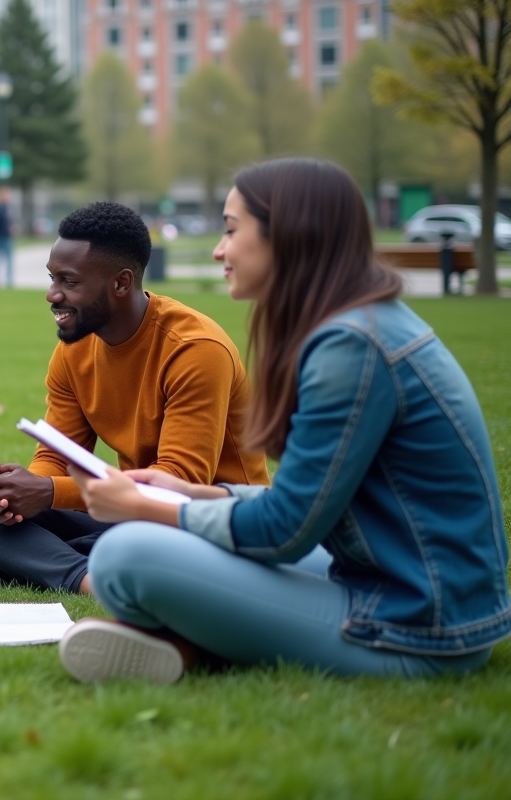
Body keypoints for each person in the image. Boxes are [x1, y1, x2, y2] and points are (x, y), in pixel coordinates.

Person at [61, 158, 508, 684]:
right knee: (171, 541)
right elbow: (303, 503)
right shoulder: (360, 323)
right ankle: (188, 643)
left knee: (122, 555)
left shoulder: (351, 345)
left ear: (289, 234)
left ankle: (191, 643)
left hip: (418, 625)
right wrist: (194, 496)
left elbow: (284, 530)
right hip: (396, 581)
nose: (219, 249)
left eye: (231, 230)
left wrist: (146, 508)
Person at [0, 202, 270, 595]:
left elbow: (180, 483)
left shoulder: (195, 349)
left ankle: (48, 565)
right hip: (132, 513)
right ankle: (88, 577)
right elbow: (57, 455)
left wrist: (48, 493)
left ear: (120, 283)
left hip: (214, 526)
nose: (52, 295)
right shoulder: (75, 348)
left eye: (69, 282)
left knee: (131, 541)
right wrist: (16, 495)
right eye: (52, 278)